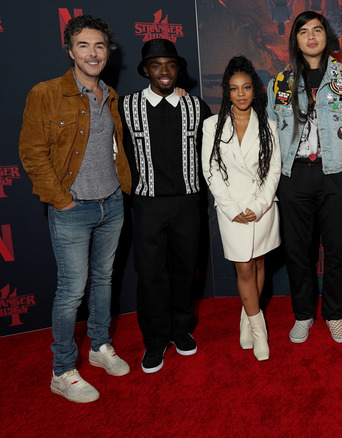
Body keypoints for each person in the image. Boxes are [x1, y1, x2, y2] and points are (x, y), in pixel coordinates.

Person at [18, 15, 131, 403]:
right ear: (70, 51)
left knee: (104, 282)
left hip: (112, 203)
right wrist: (61, 200)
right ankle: (63, 370)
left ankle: (99, 347)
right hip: (72, 208)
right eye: (84, 45)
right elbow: (32, 154)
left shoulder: (110, 94)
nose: (93, 53)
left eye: (99, 46)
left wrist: (120, 191)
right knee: (71, 291)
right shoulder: (46, 93)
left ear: (108, 52)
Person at [267, 11, 342, 344]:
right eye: (303, 32)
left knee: (338, 250)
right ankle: (303, 314)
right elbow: (269, 133)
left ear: (327, 37)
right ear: (295, 40)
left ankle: (335, 314)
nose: (311, 36)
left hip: (336, 175)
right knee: (298, 251)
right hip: (294, 175)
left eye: (317, 30)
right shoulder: (279, 83)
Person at [119, 38, 212, 373]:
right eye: (156, 65)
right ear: (146, 70)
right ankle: (155, 339)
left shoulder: (197, 107)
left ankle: (180, 329)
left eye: (170, 65)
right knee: (151, 274)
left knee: (187, 270)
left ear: (179, 70)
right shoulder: (125, 106)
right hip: (147, 205)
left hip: (189, 202)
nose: (164, 72)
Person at [203, 56, 281, 361]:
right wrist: (232, 207)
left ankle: (247, 316)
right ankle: (260, 329)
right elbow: (210, 170)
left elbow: (274, 170)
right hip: (231, 209)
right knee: (244, 266)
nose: (241, 93)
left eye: (246, 87)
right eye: (234, 88)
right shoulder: (212, 125)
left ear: (255, 90)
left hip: (262, 207)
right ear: (227, 92)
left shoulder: (269, 126)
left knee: (260, 263)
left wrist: (259, 205)